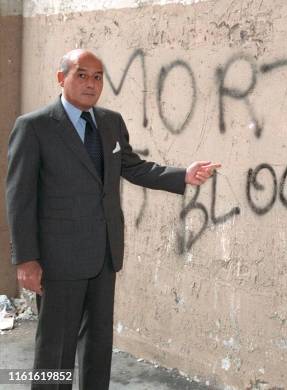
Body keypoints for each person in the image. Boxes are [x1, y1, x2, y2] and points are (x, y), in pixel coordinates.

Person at [5, 49, 220, 390]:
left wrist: (183, 175)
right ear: (62, 79)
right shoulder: (34, 127)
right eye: (81, 74)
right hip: (58, 260)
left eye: (97, 77)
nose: (91, 83)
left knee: (98, 347)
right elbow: (19, 198)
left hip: (104, 255)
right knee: (54, 351)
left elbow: (134, 167)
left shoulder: (110, 122)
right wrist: (26, 260)